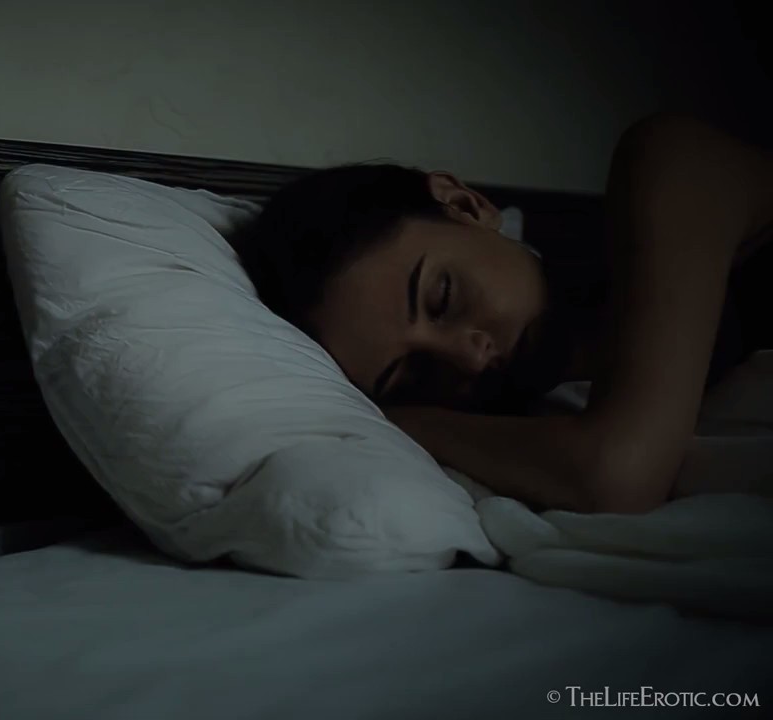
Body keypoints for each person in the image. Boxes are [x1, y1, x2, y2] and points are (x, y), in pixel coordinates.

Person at [235, 113, 771, 514]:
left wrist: (399, 419)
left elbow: (614, 477)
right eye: (412, 375)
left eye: (442, 299)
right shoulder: (531, 430)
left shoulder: (672, 166)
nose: (467, 360)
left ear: (466, 205)